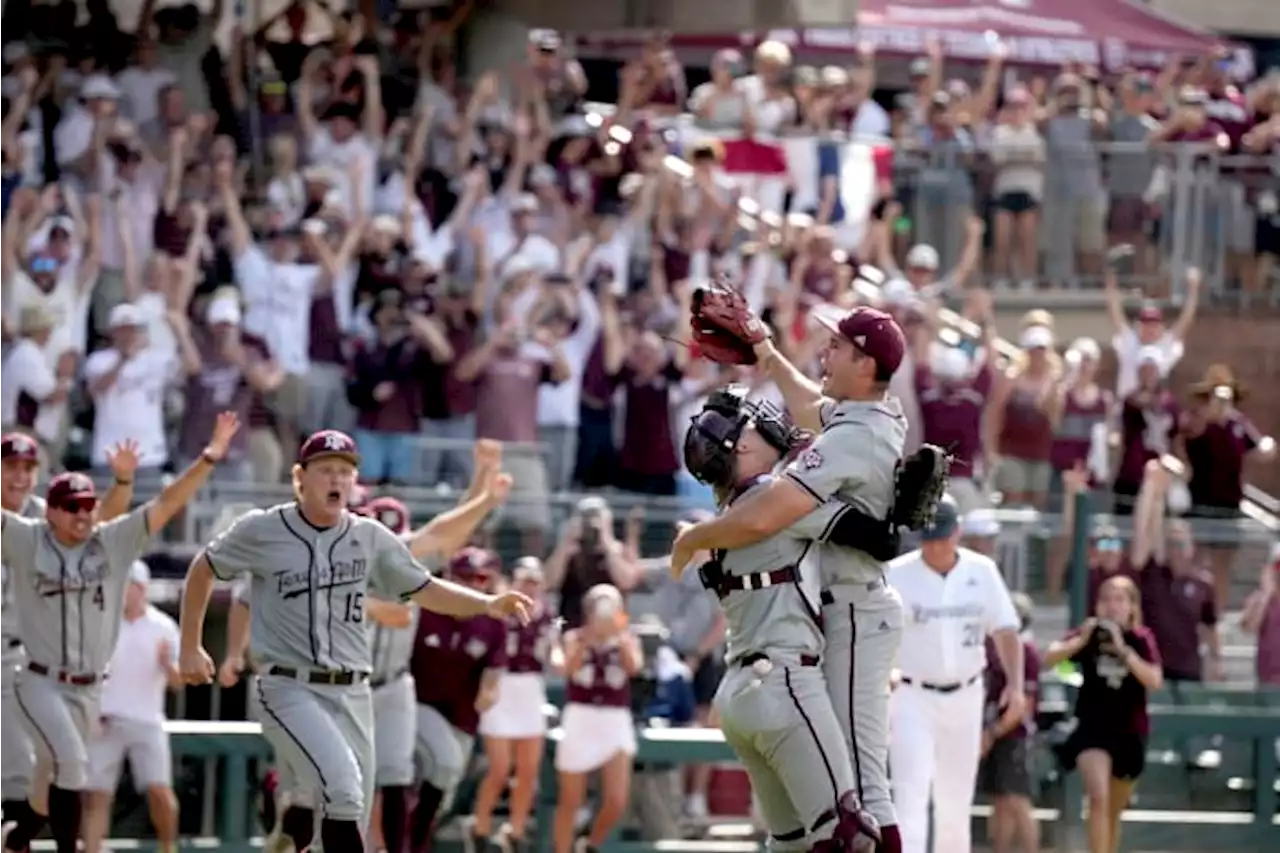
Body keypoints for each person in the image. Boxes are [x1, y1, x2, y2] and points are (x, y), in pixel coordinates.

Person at [175, 429, 532, 853]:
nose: (337, 480)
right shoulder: (263, 530)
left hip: (356, 692)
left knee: (346, 820)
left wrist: (488, 603)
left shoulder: (369, 537)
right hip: (290, 686)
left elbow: (425, 586)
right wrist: (190, 645)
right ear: (299, 477)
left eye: (345, 472)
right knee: (341, 788)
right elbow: (205, 568)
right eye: (326, 470)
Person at [672, 307, 914, 853]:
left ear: (865, 360)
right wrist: (765, 351)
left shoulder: (856, 433)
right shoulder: (860, 420)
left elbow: (764, 515)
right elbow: (812, 410)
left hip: (853, 609)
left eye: (836, 346)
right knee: (840, 803)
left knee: (862, 795)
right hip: (837, 613)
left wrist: (691, 537)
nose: (824, 353)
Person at [0, 413, 240, 853]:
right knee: (73, 765)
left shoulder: (113, 540)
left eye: (88, 505)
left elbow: (168, 503)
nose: (82, 514)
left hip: (90, 688)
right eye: (71, 507)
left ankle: (15, 839)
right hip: (37, 680)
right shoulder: (25, 537)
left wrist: (208, 458)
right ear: (49, 511)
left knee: (44, 783)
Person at [885, 497, 1024, 853]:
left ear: (958, 531)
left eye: (942, 536)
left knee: (955, 803)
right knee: (909, 798)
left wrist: (1017, 685)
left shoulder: (982, 570)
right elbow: (876, 633)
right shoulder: (897, 573)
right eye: (928, 537)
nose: (935, 544)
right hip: (911, 694)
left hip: (967, 694)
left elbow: (1006, 630)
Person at [1042, 576, 1163, 853]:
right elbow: (1049, 658)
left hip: (1130, 731)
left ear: (1132, 606)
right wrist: (1080, 640)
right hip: (1092, 728)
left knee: (1112, 809)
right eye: (1106, 599)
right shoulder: (1087, 635)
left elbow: (1154, 680)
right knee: (1097, 798)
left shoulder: (1141, 639)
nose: (1112, 606)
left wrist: (1124, 651)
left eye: (1119, 600)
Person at [408, 547, 509, 853]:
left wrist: (489, 694)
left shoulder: (493, 622)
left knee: (444, 793)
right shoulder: (424, 610)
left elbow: (493, 674)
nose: (473, 585)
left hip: (460, 717)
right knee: (410, 777)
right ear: (448, 576)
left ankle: (411, 842)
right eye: (465, 577)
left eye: (481, 578)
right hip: (413, 706)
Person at [83, 562, 182, 853]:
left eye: (129, 585)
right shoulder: (101, 624)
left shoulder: (164, 627)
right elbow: (86, 673)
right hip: (105, 721)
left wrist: (166, 664)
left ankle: (168, 847)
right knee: (96, 796)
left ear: (142, 589)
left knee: (159, 792)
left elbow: (178, 682)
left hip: (148, 721)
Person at [472, 557, 562, 853]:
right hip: (501, 684)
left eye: (536, 582)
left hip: (531, 688)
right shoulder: (500, 609)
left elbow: (555, 655)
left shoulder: (547, 616)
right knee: (500, 767)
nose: (531, 587)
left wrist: (561, 659)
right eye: (525, 580)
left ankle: (515, 830)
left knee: (528, 768)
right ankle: (480, 827)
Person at [553, 584, 642, 853]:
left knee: (616, 800)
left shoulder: (627, 637)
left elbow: (634, 668)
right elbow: (567, 670)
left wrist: (620, 637)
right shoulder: (574, 637)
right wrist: (587, 643)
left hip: (615, 718)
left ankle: (590, 844)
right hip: (581, 715)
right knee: (571, 799)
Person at [978, 593, 1041, 853]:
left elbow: (1024, 703)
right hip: (992, 730)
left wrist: (992, 733)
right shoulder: (990, 648)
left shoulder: (1026, 650)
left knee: (1017, 801)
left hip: (1014, 735)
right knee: (1000, 802)